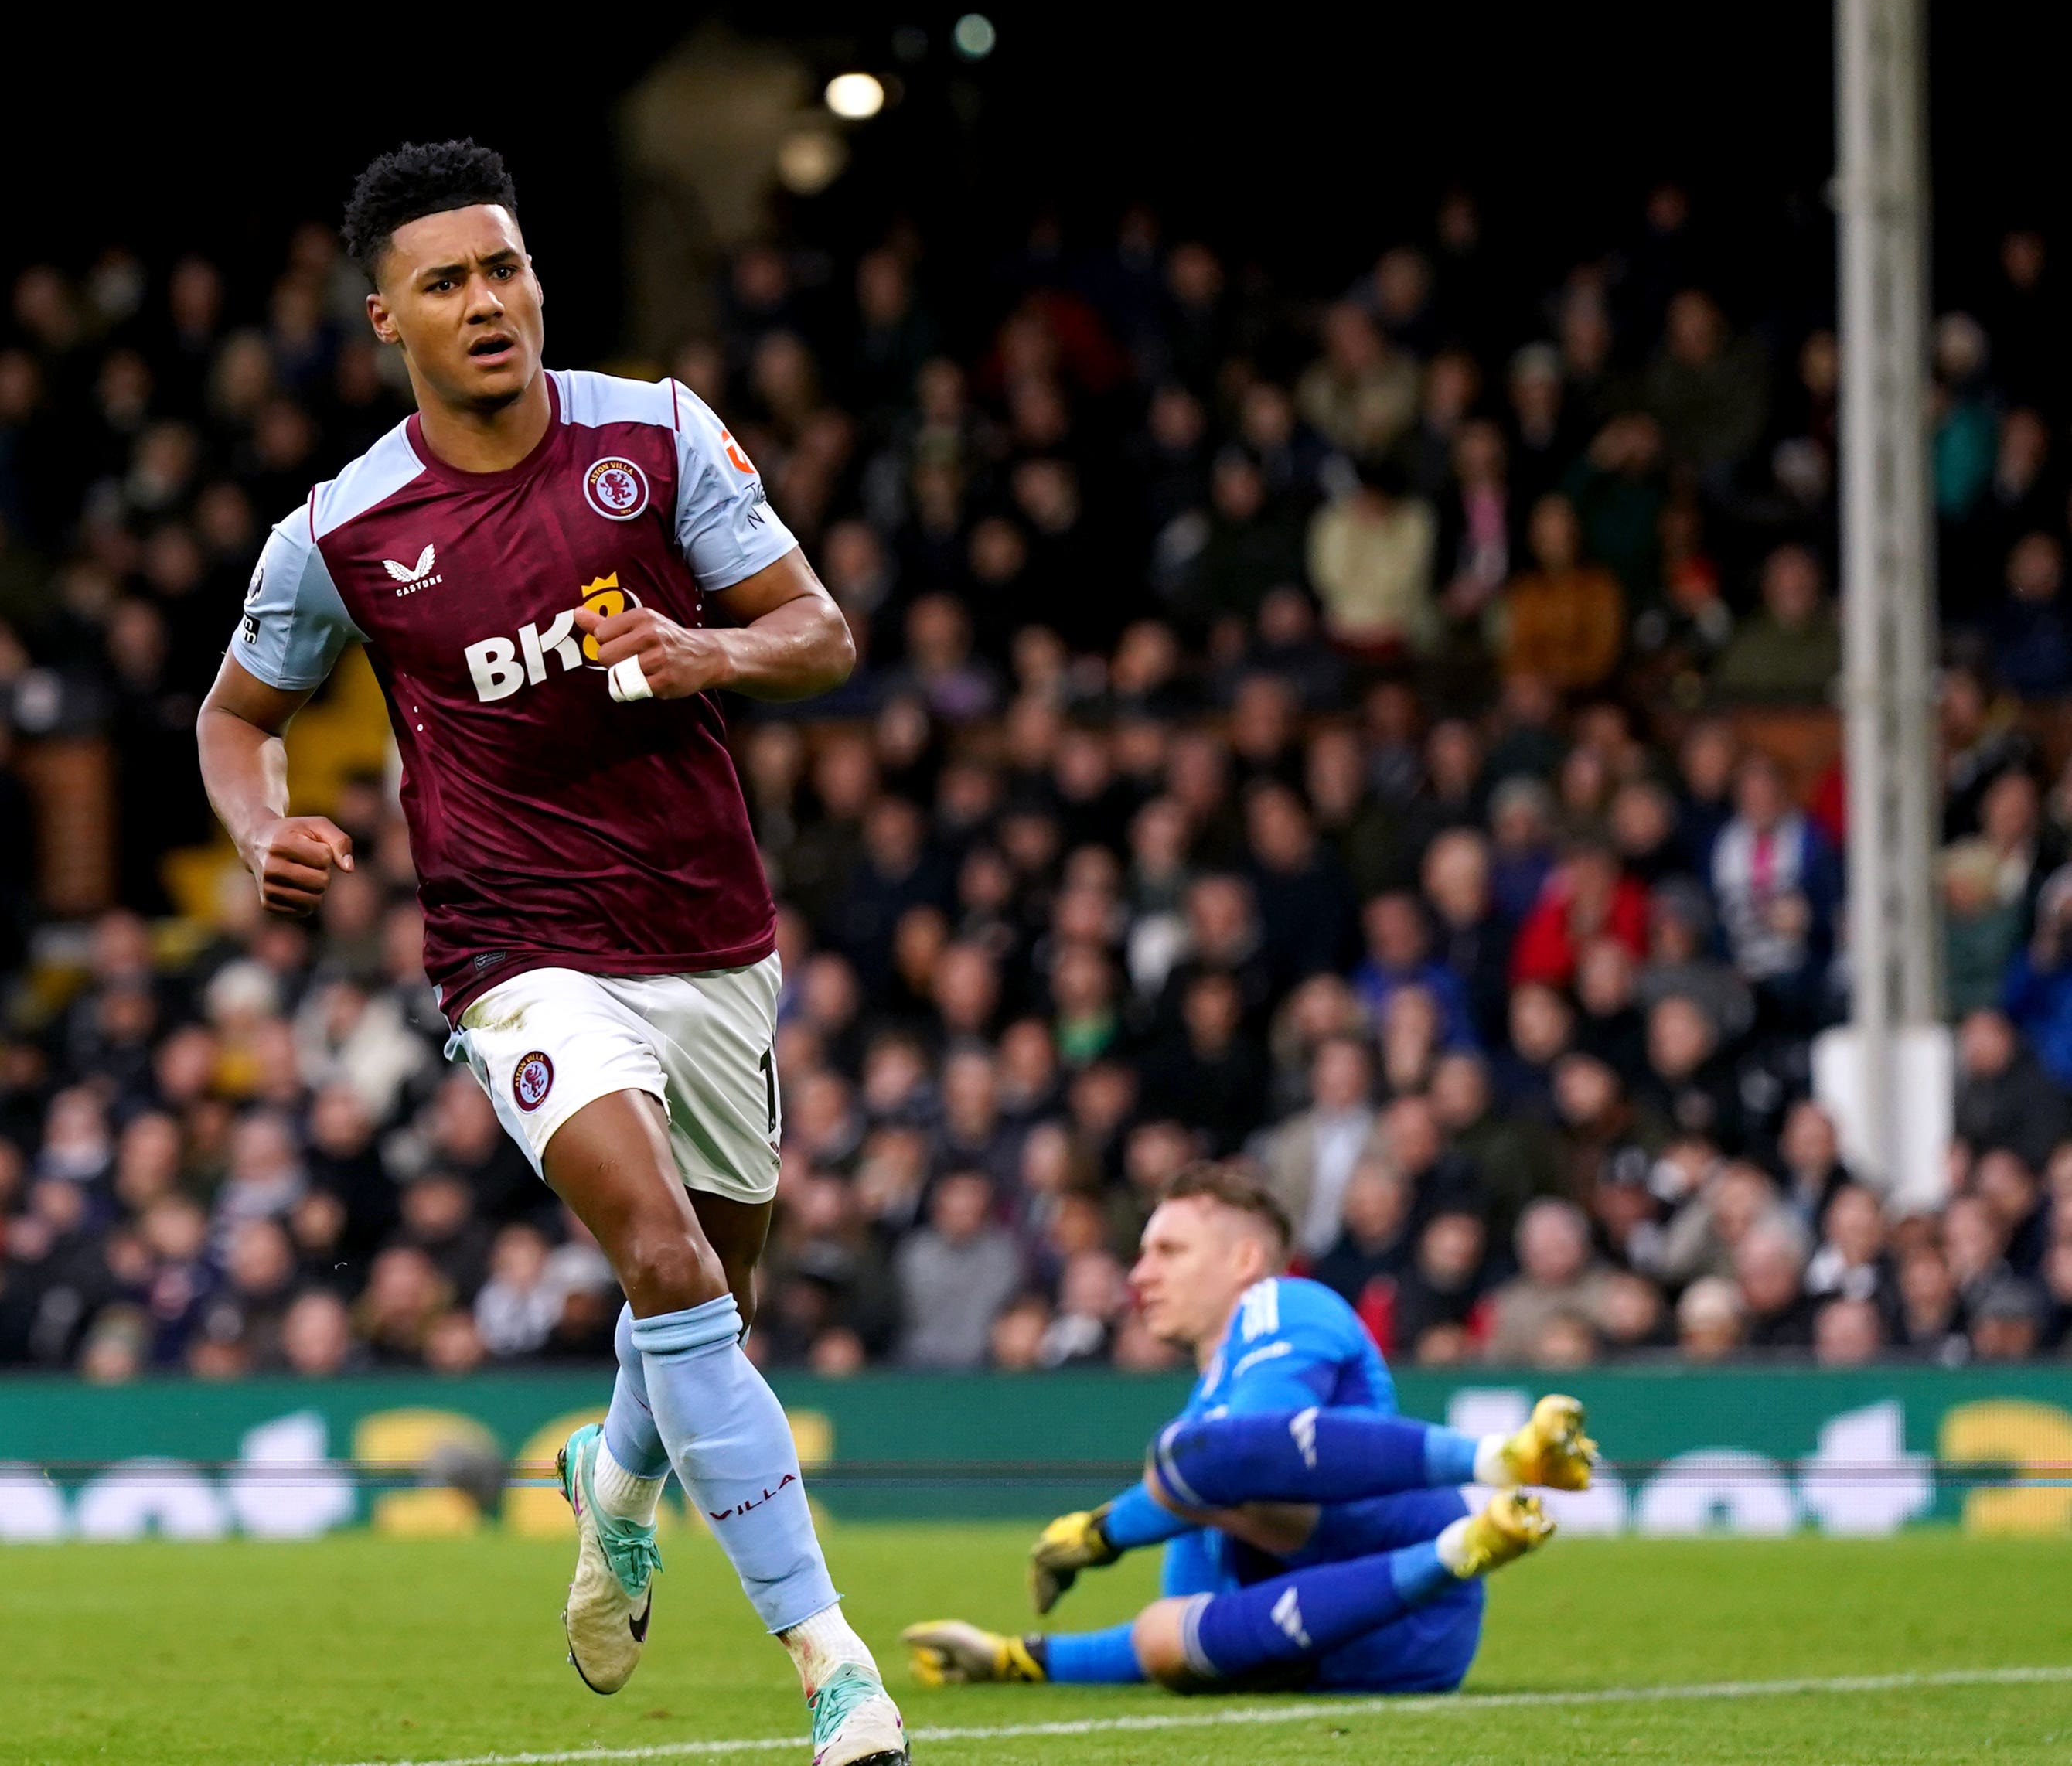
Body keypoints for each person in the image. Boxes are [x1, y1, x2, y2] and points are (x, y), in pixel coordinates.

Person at [193, 141, 902, 1766]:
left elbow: (821, 631)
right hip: (513, 944)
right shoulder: (345, 530)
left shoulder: (651, 432)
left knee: (712, 1286)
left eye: (501, 267)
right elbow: (237, 718)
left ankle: (620, 1475)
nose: (485, 300)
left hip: (708, 929)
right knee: (662, 1260)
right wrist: (258, 827)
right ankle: (831, 1663)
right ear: (386, 318)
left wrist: (704, 645)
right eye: (444, 281)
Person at [902, 1165, 1588, 1696]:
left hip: (1417, 1595)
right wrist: (1015, 1657)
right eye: (1142, 1254)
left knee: (1193, 1461)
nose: (1141, 1275)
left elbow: (1252, 1447)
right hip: (1345, 1652)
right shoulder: (1203, 1416)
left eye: (1169, 1250)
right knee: (1169, 1626)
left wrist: (1102, 1531)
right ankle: (1477, 1534)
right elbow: (1177, 1635)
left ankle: (1500, 1466)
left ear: (1243, 1260)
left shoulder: (1281, 1302)